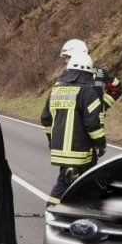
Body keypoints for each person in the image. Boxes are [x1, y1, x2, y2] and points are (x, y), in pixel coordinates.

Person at [42, 49, 107, 205]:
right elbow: (93, 124)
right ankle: (52, 209)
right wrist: (101, 144)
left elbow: (46, 119)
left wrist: (52, 141)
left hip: (59, 151)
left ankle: (76, 211)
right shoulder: (88, 91)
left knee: (79, 182)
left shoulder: (56, 90)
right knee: (69, 182)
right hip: (79, 152)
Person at [61, 39, 122, 122]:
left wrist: (102, 106)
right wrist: (101, 107)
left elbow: (116, 88)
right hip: (82, 122)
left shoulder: (67, 75)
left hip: (80, 122)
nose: (66, 61)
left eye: (68, 57)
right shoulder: (100, 71)